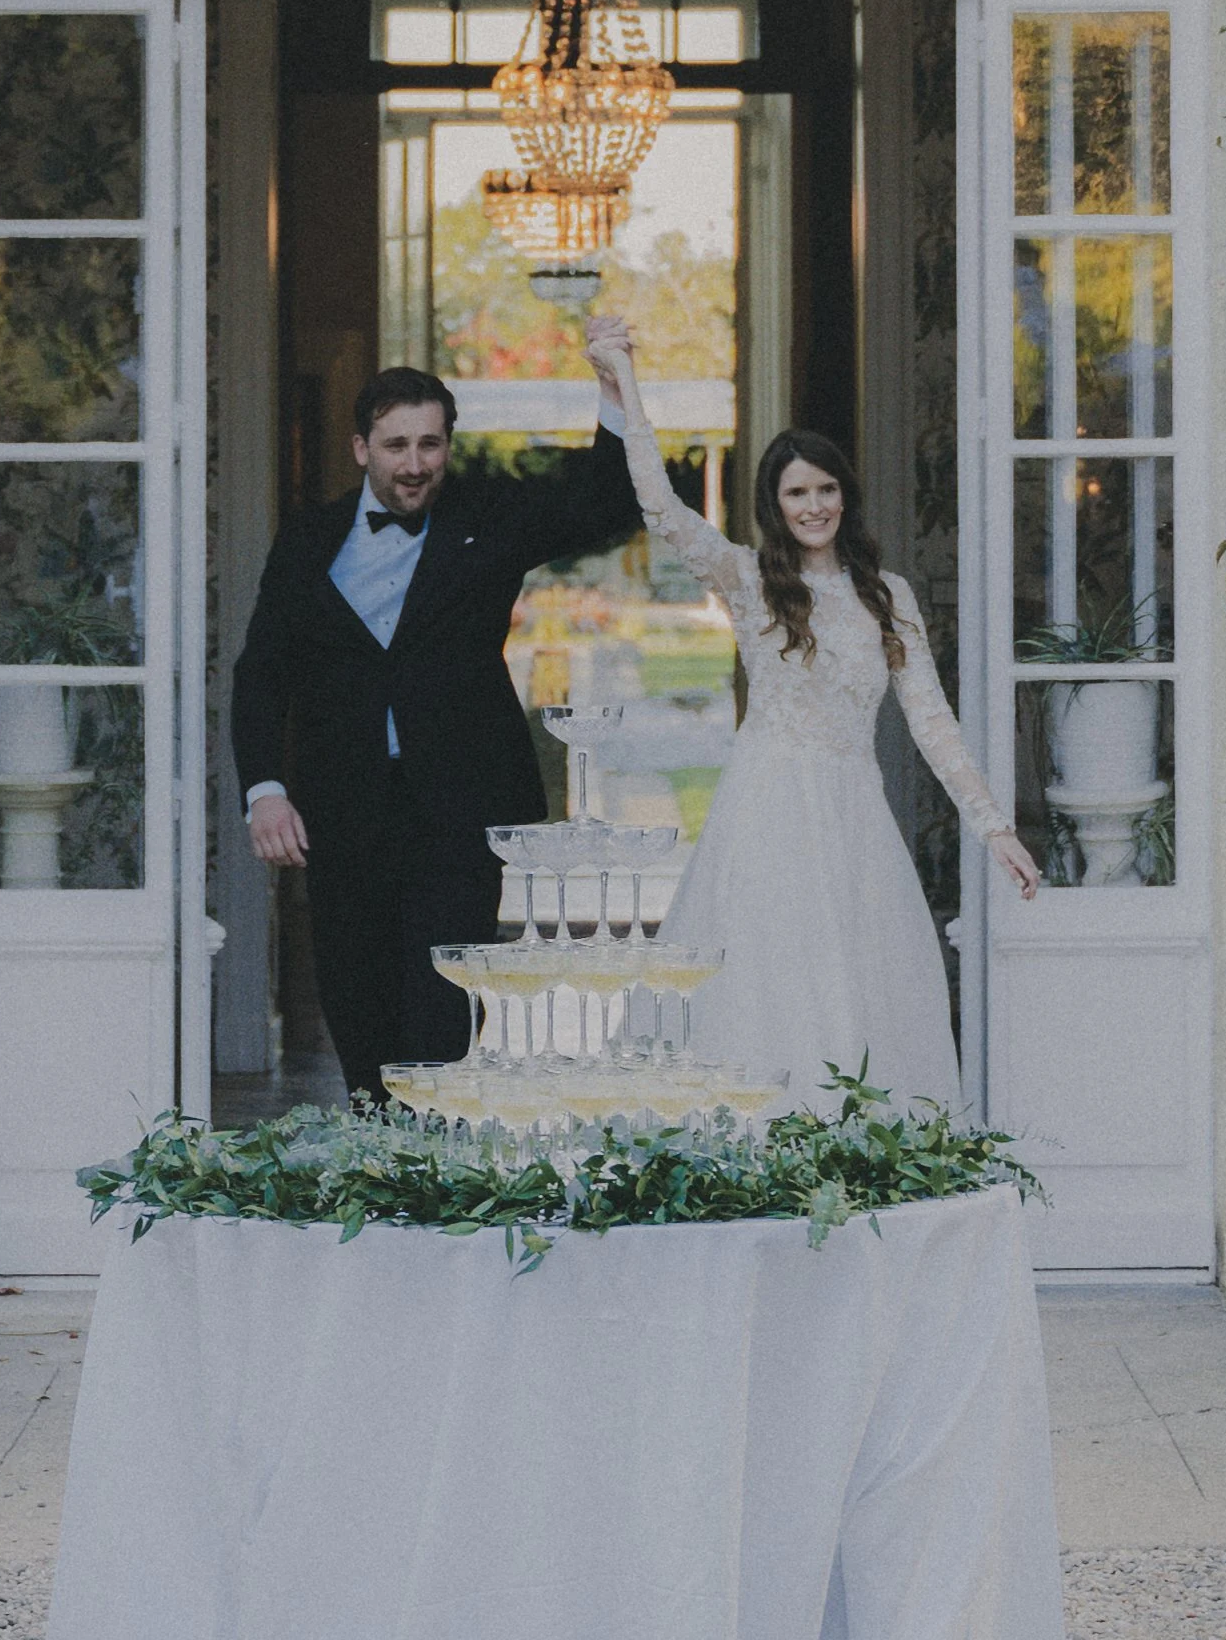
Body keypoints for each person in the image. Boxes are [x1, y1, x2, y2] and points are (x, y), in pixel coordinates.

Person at [586, 313, 1037, 1115]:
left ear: (844, 495)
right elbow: (659, 507)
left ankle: (847, 1151)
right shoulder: (746, 577)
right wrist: (623, 387)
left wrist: (991, 822)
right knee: (768, 975)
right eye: (797, 491)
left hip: (852, 810)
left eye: (826, 488)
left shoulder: (885, 594)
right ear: (774, 502)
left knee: (858, 977)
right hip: (766, 806)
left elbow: (930, 718)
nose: (814, 504)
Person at [231, 348, 640, 1104]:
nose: (415, 464)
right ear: (361, 449)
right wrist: (265, 789)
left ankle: (430, 1156)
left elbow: (602, 505)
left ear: (447, 445)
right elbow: (261, 674)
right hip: (342, 811)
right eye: (396, 445)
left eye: (430, 444)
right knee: (354, 999)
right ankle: (378, 1154)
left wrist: (613, 394)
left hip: (458, 809)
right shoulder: (306, 541)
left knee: (442, 1001)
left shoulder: (485, 521)